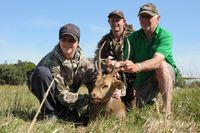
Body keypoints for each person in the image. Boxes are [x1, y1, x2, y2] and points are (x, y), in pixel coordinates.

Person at [28, 23, 96, 122]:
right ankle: (49, 113)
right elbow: (62, 96)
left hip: (68, 95)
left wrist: (111, 90)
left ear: (78, 43)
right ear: (59, 40)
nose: (67, 43)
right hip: (56, 94)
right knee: (41, 72)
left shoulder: (85, 63)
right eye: (64, 39)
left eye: (71, 40)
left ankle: (91, 111)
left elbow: (98, 79)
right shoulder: (51, 61)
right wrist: (89, 99)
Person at [120, 3, 179, 114]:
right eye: (142, 17)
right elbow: (126, 60)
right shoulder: (132, 38)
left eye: (149, 17)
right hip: (144, 78)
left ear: (158, 18)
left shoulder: (165, 35)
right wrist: (118, 64)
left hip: (164, 72)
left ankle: (167, 112)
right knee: (142, 110)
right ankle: (152, 101)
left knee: (161, 65)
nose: (145, 20)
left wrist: (137, 66)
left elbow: (157, 61)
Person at [94, 10, 135, 110]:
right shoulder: (105, 40)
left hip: (132, 77)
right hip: (114, 78)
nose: (115, 23)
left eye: (118, 20)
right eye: (112, 20)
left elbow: (140, 59)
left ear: (124, 22)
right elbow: (97, 61)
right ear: (109, 22)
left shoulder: (134, 38)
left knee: (134, 108)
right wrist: (108, 65)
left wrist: (118, 64)